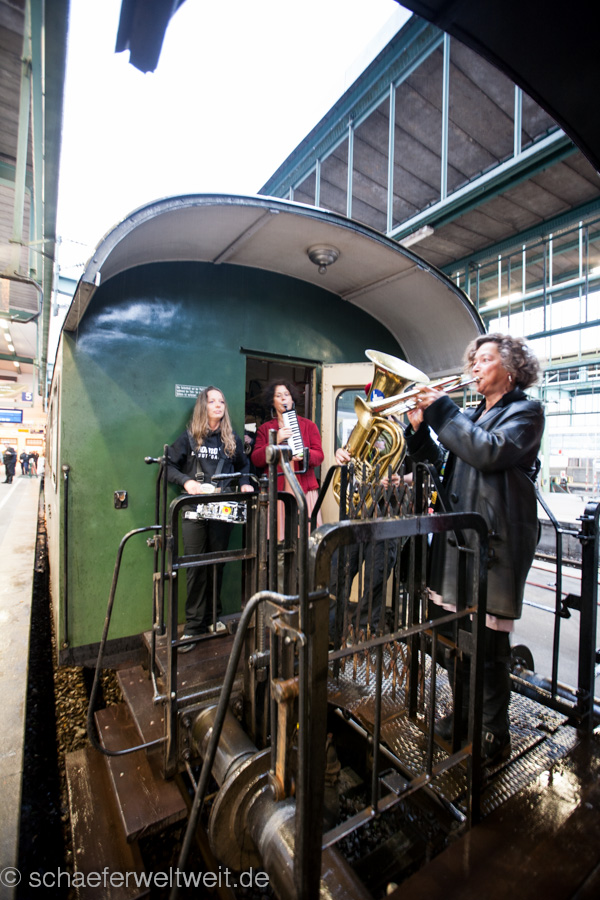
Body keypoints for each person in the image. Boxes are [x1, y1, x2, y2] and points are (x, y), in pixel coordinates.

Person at [405, 333, 544, 764]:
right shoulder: (468, 416)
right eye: (475, 360)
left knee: (487, 646)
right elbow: (440, 467)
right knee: (454, 638)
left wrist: (441, 410)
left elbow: (489, 452)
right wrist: (419, 431)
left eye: (486, 359)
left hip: (494, 543)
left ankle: (493, 732)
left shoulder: (526, 413)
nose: (476, 367)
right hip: (458, 542)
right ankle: (463, 715)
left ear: (511, 370)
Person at [166, 386, 254, 650]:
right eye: (212, 401)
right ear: (202, 406)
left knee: (217, 565)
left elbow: (244, 465)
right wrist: (186, 482)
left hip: (221, 510)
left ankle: (213, 618)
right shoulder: (189, 437)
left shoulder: (231, 439)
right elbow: (167, 465)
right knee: (195, 567)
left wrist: (245, 482)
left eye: (221, 401)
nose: (218, 405)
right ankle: (193, 627)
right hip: (193, 510)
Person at [251, 381, 324, 588]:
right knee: (280, 547)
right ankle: (282, 596)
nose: (284, 399)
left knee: (306, 544)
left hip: (304, 491)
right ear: (272, 402)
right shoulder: (266, 429)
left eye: (287, 394)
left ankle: (305, 594)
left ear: (293, 398)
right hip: (279, 494)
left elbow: (319, 455)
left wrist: (305, 455)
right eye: (279, 395)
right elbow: (256, 458)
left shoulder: (308, 425)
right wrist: (275, 441)